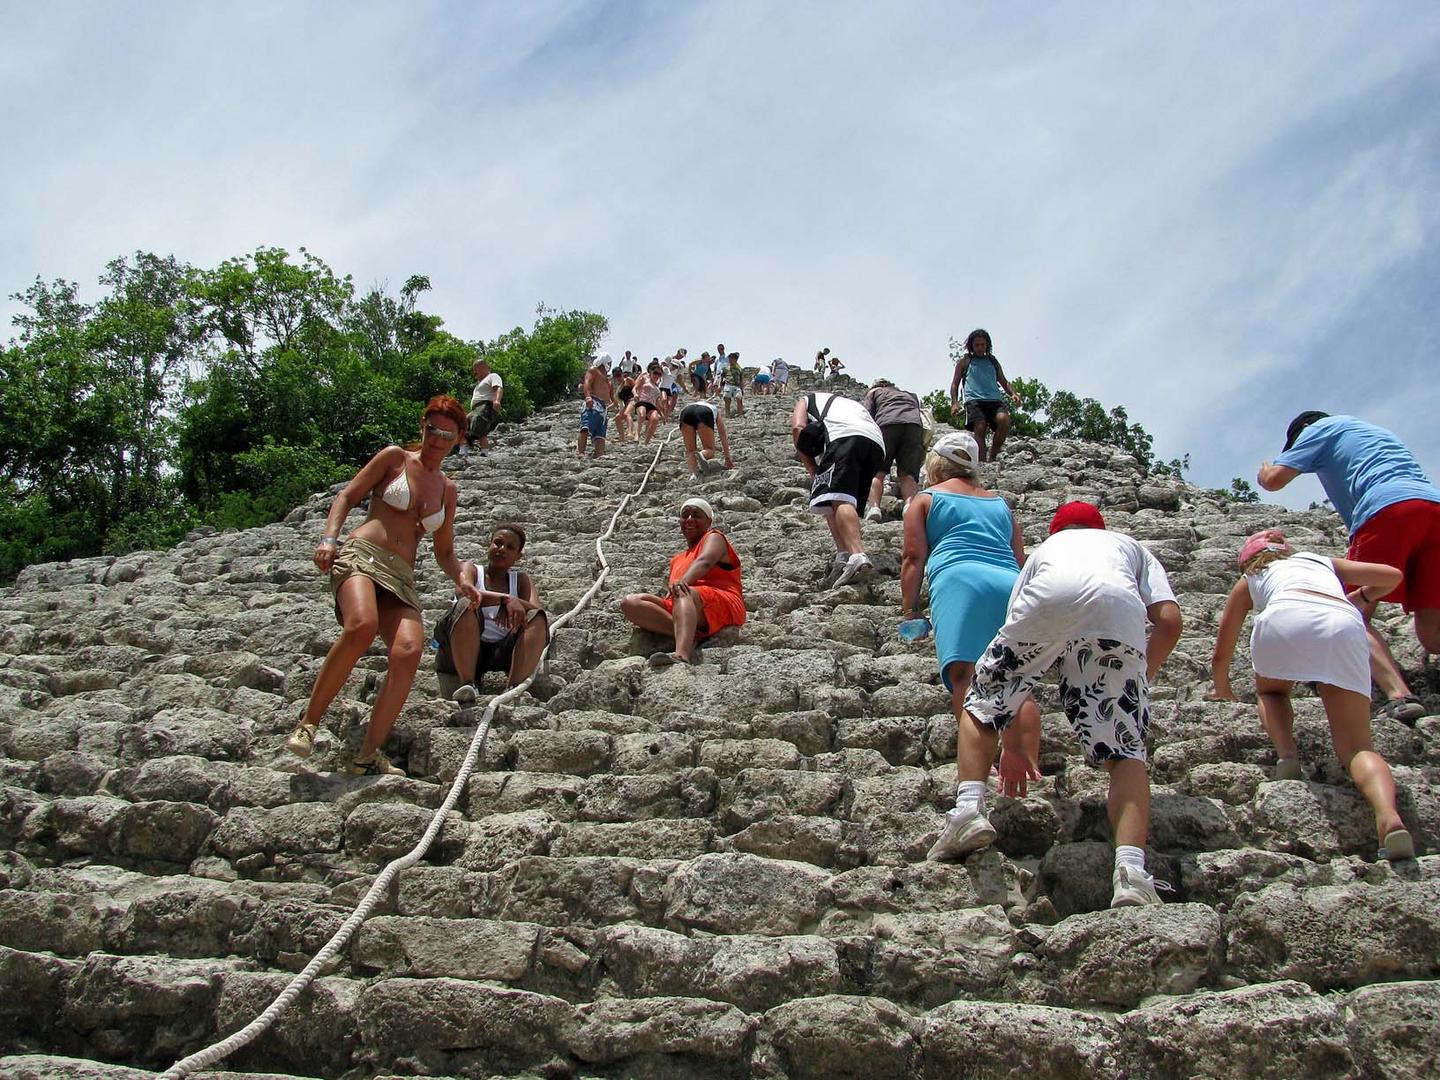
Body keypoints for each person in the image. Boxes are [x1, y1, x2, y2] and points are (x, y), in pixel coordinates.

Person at [934, 501, 1183, 908]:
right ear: (1101, 528)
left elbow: (1018, 630)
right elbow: (1169, 620)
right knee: (1125, 750)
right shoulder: (1130, 547)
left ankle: (967, 812)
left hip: (1047, 598)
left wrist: (1011, 728)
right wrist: (1140, 677)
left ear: (1056, 531)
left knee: (982, 702)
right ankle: (1132, 873)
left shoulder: (1045, 552)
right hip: (1117, 613)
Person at [287, 395, 482, 776]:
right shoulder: (395, 459)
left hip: (401, 575)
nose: (437, 439)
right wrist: (329, 538)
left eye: (447, 432)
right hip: (362, 553)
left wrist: (462, 578)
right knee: (361, 625)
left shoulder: (447, 490)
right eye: (431, 429)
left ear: (459, 437)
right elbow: (348, 495)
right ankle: (308, 722)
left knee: (409, 651)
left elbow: (444, 551)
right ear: (422, 427)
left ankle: (367, 755)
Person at [1207, 529, 1414, 861]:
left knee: (1272, 692)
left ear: (1247, 559)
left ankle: (1287, 754)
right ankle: (1388, 816)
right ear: (1286, 550)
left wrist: (1222, 686)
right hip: (1341, 623)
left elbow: (1223, 646)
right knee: (1357, 747)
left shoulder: (1251, 578)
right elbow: (1391, 576)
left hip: (1282, 620)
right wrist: (1360, 598)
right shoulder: (1317, 561)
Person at [1258, 412, 1440, 723]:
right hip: (1432, 508)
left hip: (1385, 510)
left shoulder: (1316, 430)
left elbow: (1275, 481)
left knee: (1350, 612)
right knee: (1432, 626)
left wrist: (1264, 473)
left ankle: (1399, 695)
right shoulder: (1372, 431)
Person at [902, 432, 1043, 829]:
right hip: (1009, 585)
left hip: (959, 581)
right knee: (1016, 681)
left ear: (936, 464)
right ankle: (1024, 775)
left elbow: (913, 556)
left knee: (966, 677)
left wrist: (910, 608)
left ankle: (975, 781)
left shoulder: (926, 500)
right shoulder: (1001, 504)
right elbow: (1020, 558)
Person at [619, 497, 746, 666]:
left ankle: (682, 655)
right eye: (685, 515)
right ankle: (688, 632)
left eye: (696, 515)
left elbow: (705, 561)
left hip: (722, 601)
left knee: (682, 590)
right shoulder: (677, 559)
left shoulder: (714, 537)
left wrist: (681, 582)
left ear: (709, 521)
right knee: (631, 602)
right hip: (687, 602)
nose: (690, 519)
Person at [434, 523, 550, 702]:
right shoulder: (471, 569)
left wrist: (516, 602)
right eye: (498, 543)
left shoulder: (521, 580)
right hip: (462, 649)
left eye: (510, 547)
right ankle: (467, 682)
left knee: (538, 619)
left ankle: (514, 687)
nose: (502, 549)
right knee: (465, 604)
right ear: (489, 545)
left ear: (518, 556)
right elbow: (464, 592)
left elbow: (537, 610)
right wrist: (505, 599)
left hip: (504, 650)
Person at [791, 389, 886, 588]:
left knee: (840, 497)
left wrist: (812, 468)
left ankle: (856, 556)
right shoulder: (852, 405)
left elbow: (798, 428)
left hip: (844, 438)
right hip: (876, 444)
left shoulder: (808, 399)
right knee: (832, 496)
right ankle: (843, 553)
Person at [949, 328, 1021, 463]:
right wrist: (954, 402)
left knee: (1004, 420)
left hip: (994, 400)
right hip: (974, 400)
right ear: (971, 346)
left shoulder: (992, 361)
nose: (980, 348)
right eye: (977, 345)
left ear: (987, 345)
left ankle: (993, 455)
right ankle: (981, 462)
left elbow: (1004, 382)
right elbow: (954, 384)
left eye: (983, 345)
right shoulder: (965, 361)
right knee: (980, 427)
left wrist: (1013, 394)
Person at [862, 378, 927, 522]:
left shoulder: (874, 392)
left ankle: (874, 507)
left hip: (887, 424)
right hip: (913, 427)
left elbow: (866, 415)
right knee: (908, 474)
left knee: (877, 472)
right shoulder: (909, 394)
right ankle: (909, 506)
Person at [678, 397, 734, 479]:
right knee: (710, 449)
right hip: (704, 413)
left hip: (685, 412)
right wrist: (727, 458)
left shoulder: (693, 404)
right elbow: (723, 435)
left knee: (690, 450)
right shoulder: (715, 410)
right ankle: (701, 454)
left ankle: (693, 475)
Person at [464, 358, 503, 459]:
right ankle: (463, 451)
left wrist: (497, 400)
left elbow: (498, 388)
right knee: (464, 424)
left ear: (483, 367)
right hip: (475, 408)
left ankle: (484, 452)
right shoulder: (479, 383)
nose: (475, 372)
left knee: (479, 424)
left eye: (476, 368)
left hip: (485, 405)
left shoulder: (492, 376)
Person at [578, 355, 613, 458]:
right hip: (593, 403)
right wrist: (588, 397)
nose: (610, 365)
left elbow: (612, 396)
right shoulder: (594, 370)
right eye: (609, 363)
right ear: (604, 361)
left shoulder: (607, 379)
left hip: (603, 408)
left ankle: (599, 454)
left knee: (600, 434)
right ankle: (581, 452)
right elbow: (587, 383)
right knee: (586, 427)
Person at [630, 363, 664, 443]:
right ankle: (637, 435)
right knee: (642, 414)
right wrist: (635, 394)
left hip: (652, 405)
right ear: (651, 372)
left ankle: (647, 440)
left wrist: (662, 414)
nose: (656, 375)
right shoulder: (644, 379)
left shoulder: (657, 386)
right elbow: (634, 388)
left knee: (655, 419)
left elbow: (657, 402)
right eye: (655, 373)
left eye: (659, 374)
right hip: (642, 401)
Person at [722, 352, 746, 417]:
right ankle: (727, 414)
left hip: (737, 386)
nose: (730, 360)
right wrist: (720, 385)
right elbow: (722, 377)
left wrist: (742, 388)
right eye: (729, 359)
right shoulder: (725, 368)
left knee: (739, 398)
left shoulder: (739, 369)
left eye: (731, 359)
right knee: (727, 399)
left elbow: (741, 379)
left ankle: (740, 414)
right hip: (728, 385)